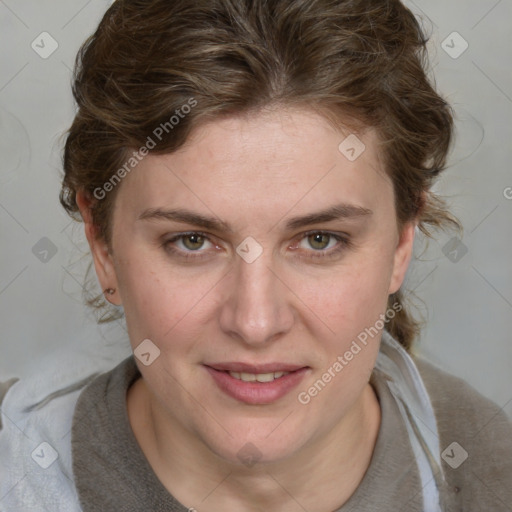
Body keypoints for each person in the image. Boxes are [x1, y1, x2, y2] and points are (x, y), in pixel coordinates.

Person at [1, 0, 511, 510]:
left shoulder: (491, 475)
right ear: (102, 246)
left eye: (319, 240)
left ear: (403, 241)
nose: (256, 322)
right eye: (192, 241)